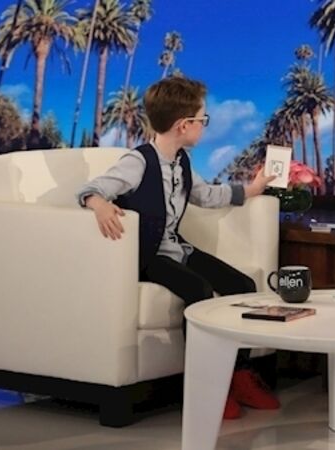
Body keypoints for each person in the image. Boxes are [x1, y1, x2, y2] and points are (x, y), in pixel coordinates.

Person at [76, 76, 277, 420]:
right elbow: (93, 188)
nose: (204, 125)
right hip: (147, 255)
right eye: (202, 119)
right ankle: (205, 386)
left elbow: (205, 195)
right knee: (198, 291)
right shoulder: (138, 161)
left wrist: (252, 189)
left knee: (242, 286)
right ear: (184, 125)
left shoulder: (182, 161)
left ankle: (238, 375)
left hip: (176, 248)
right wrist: (98, 204)